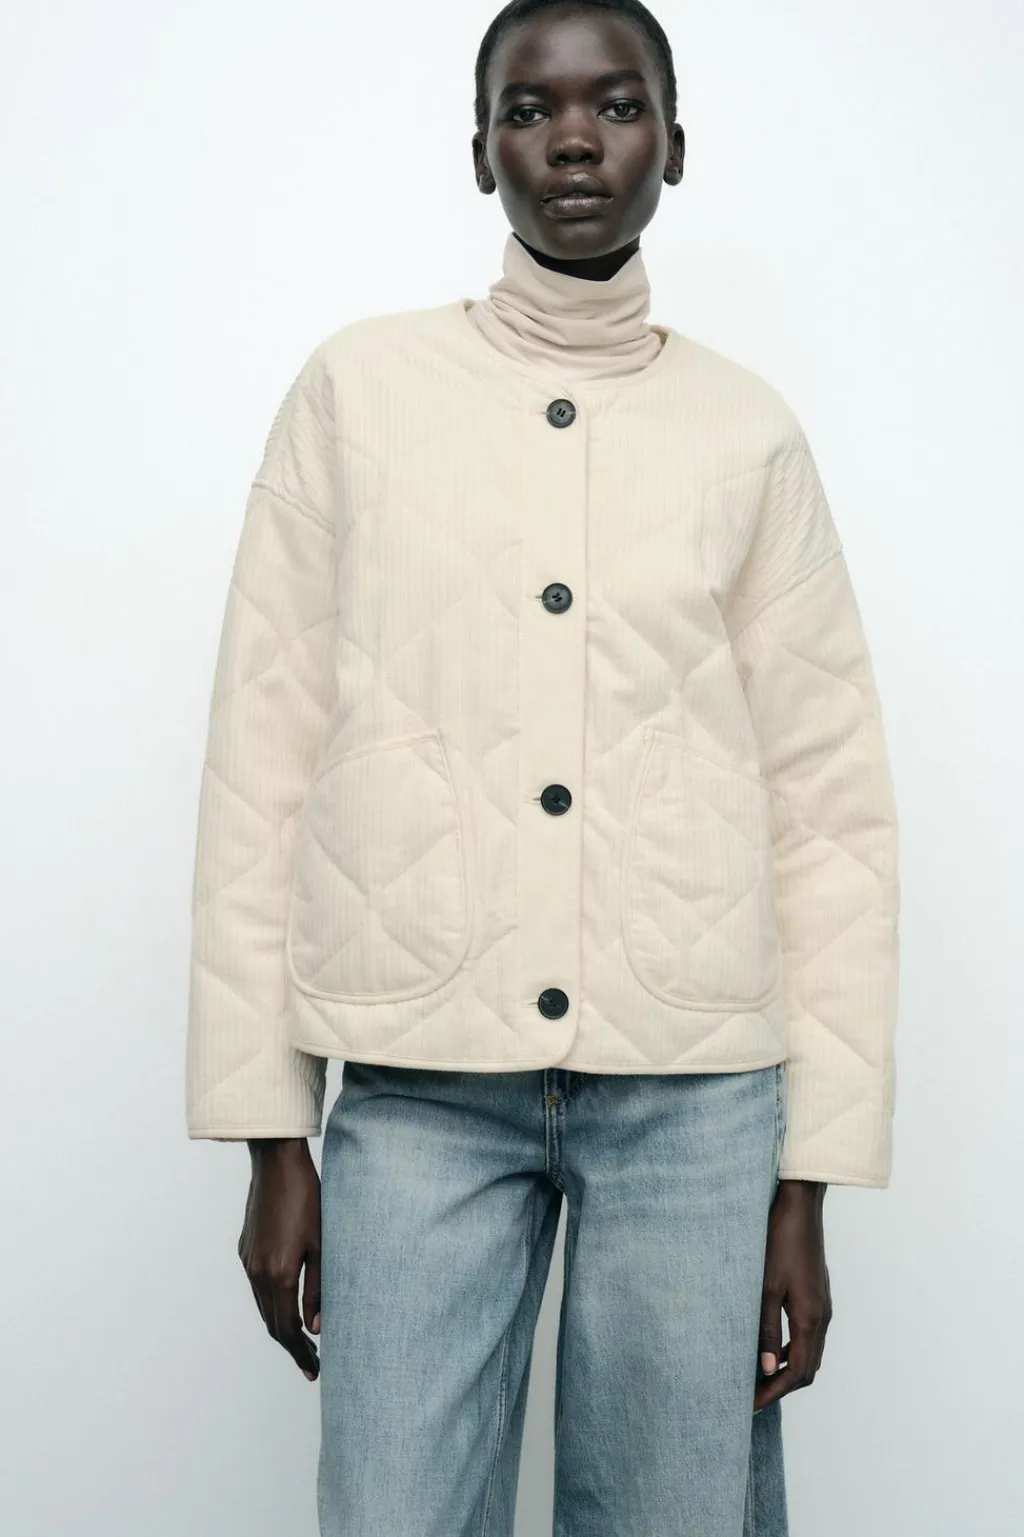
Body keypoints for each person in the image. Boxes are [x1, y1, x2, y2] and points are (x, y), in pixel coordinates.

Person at [185, 2, 900, 1533]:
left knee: (673, 1510)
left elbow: (829, 809)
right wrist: (269, 1134)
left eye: (617, 106)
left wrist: (809, 1178)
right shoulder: (357, 394)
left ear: (674, 147)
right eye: (531, 110)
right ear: (480, 154)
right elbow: (263, 762)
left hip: (696, 1102)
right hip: (418, 1082)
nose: (575, 140)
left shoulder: (747, 435)